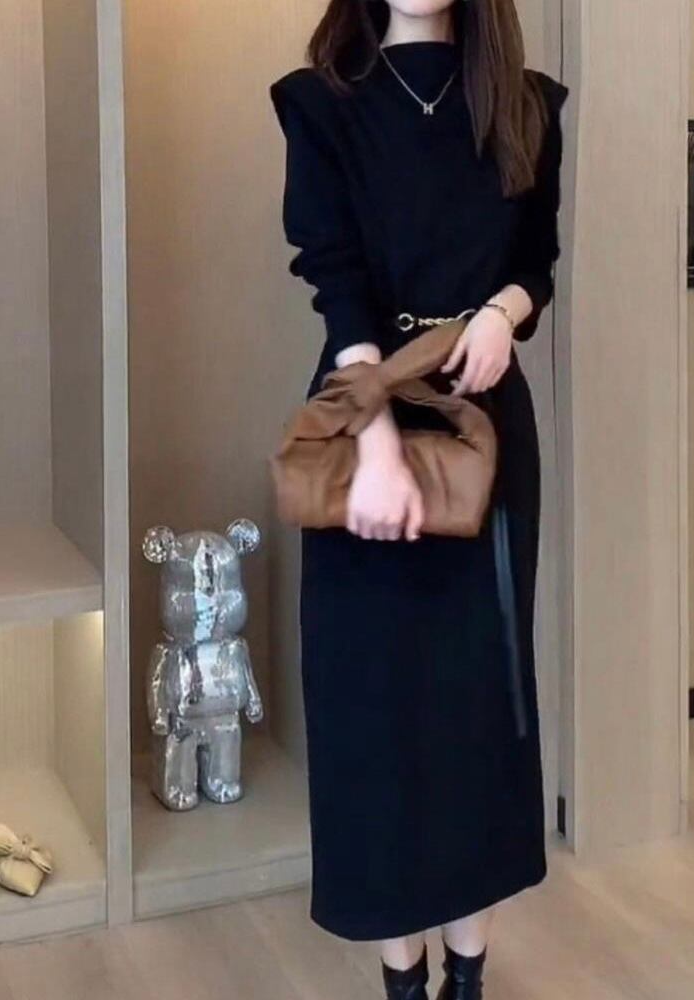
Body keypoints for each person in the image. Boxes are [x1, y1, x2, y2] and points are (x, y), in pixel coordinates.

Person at [269, 1, 567, 997]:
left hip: (484, 435)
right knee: (375, 715)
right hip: (370, 420)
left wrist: (501, 314)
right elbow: (336, 279)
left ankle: (468, 977)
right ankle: (403, 979)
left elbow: (535, 262)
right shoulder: (322, 105)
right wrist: (378, 441)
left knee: (477, 710)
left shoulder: (526, 104)